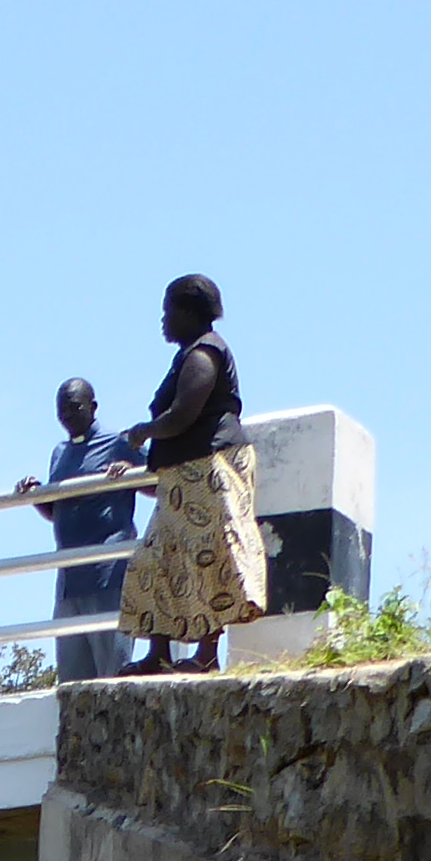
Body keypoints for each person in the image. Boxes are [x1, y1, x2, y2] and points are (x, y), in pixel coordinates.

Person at [115, 273, 265, 674]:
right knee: (156, 561)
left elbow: (184, 413)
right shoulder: (188, 353)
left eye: (168, 311)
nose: (163, 319)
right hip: (185, 476)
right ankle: (158, 653)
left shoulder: (204, 353)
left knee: (208, 558)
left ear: (186, 312)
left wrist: (145, 431)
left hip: (210, 470)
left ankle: (205, 656)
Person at [40, 378, 140, 682]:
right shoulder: (59, 453)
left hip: (107, 575)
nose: (67, 416)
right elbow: (57, 511)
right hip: (70, 580)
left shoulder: (118, 443)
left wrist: (129, 473)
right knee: (72, 683)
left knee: (111, 676)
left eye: (74, 408)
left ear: (93, 407)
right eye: (61, 411)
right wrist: (35, 494)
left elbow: (155, 482)